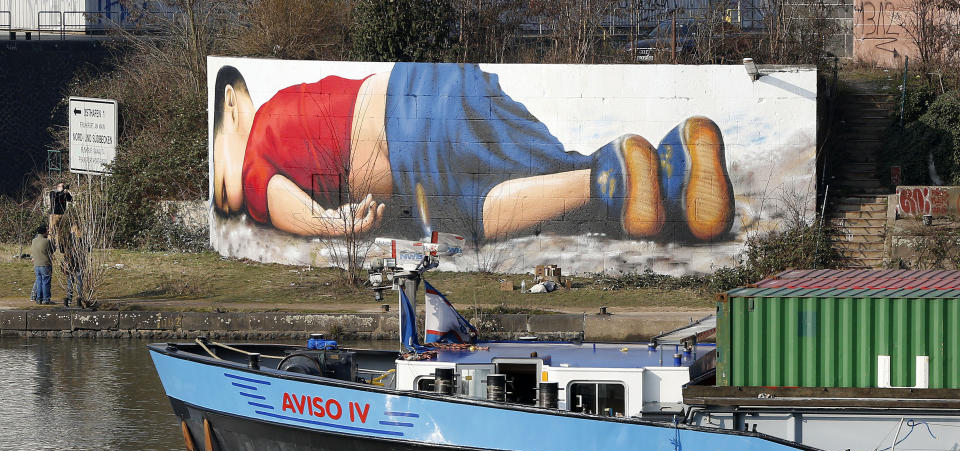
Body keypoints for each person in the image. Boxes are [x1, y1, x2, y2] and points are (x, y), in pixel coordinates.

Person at [211, 63, 734, 243]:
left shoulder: (256, 150)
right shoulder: (290, 101)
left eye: (218, 185)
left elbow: (278, 201)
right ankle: (672, 166)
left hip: (411, 132)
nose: (228, 198)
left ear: (233, 105)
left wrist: (332, 226)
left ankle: (609, 179)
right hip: (442, 84)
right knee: (541, 159)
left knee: (467, 213)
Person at [30, 225, 54, 305]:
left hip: (36, 265)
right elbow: (52, 250)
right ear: (44, 232)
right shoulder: (46, 241)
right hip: (45, 264)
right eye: (47, 231)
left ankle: (38, 299)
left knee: (39, 282)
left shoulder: (34, 241)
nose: (48, 232)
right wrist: (52, 238)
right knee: (46, 282)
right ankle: (46, 299)